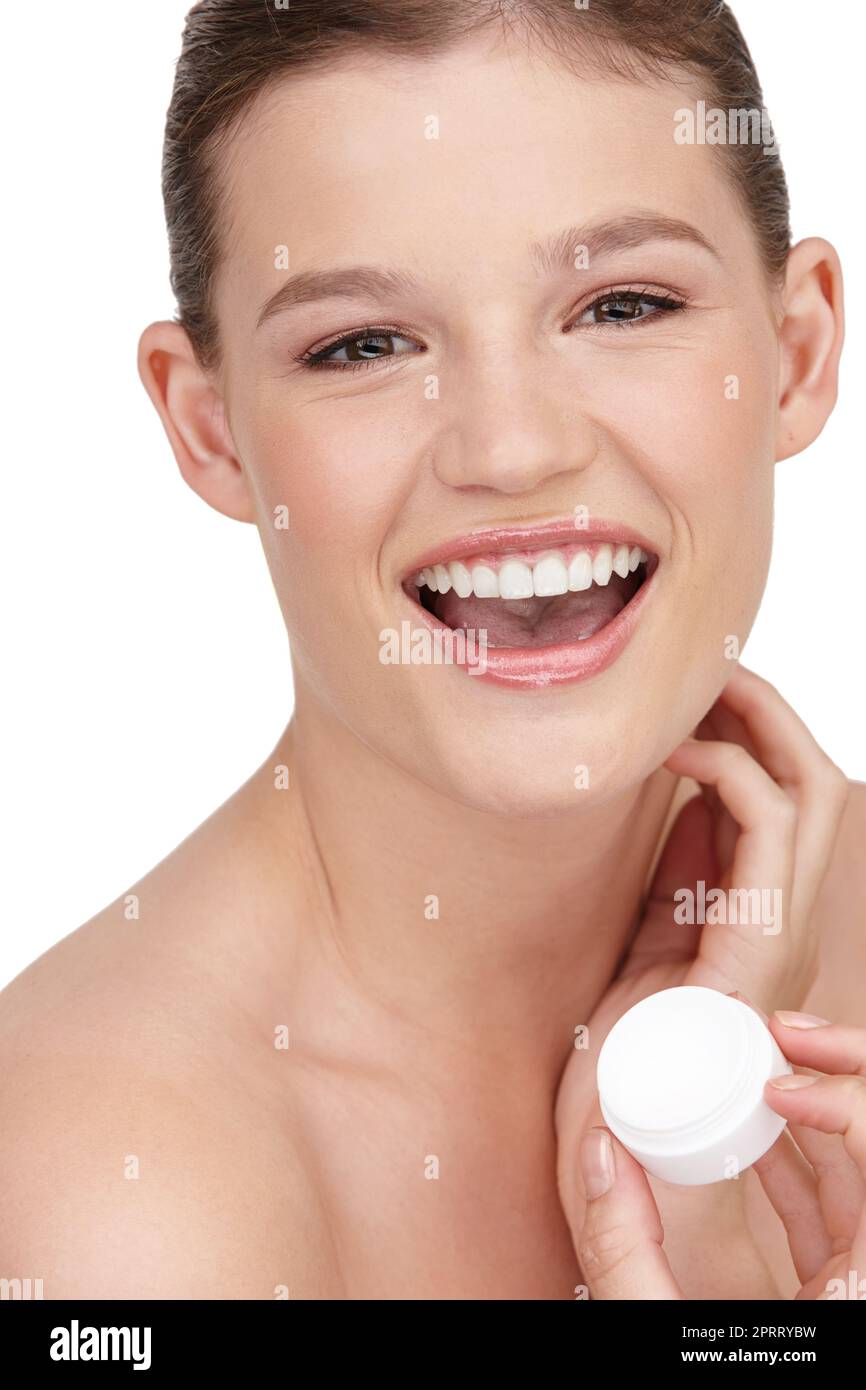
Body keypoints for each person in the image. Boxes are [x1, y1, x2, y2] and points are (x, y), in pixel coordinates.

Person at [1, 0, 864, 1300]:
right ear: (210, 430)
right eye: (363, 344)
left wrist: (710, 1208)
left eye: (619, 304)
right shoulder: (102, 1196)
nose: (509, 448)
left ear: (793, 351)